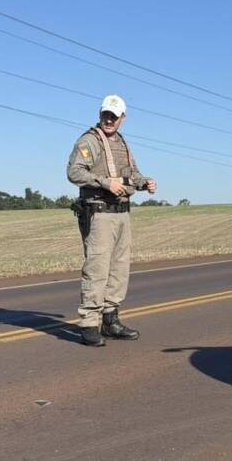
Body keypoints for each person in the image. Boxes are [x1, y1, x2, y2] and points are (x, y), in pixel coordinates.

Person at [66, 94, 156, 347]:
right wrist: (106, 183)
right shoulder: (89, 141)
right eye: (106, 115)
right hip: (100, 213)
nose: (109, 120)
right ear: (100, 113)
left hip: (122, 213)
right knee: (97, 268)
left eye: (114, 117)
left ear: (122, 119)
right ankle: (88, 323)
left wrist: (144, 182)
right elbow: (74, 172)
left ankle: (110, 319)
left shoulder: (122, 143)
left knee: (119, 268)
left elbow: (132, 173)